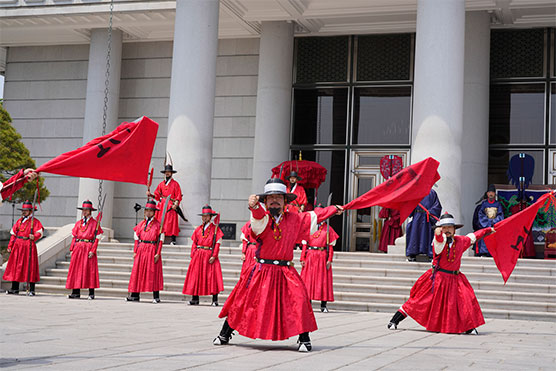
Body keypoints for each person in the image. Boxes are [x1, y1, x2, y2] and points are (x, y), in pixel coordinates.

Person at [213, 178, 343, 352]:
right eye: (270, 197)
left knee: (299, 299)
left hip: (284, 269)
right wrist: (254, 206)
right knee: (242, 301)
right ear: (265, 201)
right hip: (261, 269)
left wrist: (334, 209)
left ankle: (304, 338)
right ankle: (225, 333)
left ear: (285, 201)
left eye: (279, 197)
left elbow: (315, 216)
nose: (274, 200)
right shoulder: (263, 218)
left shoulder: (295, 219)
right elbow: (258, 217)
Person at [387, 213, 494, 334]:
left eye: (449, 227)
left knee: (465, 300)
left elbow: (474, 236)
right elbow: (438, 245)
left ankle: (468, 327)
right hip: (438, 278)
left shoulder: (461, 241)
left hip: (455, 278)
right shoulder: (438, 241)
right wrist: (438, 234)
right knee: (419, 302)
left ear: (454, 229)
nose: (447, 230)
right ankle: (394, 320)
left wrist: (489, 229)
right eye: (444, 227)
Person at [182, 205, 224, 306]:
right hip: (198, 255)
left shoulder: (215, 229)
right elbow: (194, 243)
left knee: (212, 277)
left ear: (210, 217)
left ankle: (215, 300)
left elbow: (217, 243)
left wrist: (214, 255)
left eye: (207, 216)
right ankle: (195, 298)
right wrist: (193, 253)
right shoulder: (198, 229)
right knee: (196, 276)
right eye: (203, 216)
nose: (204, 218)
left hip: (209, 255)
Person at [300, 209, 338, 313]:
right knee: (308, 280)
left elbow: (330, 247)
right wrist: (302, 257)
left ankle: (323, 305)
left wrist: (329, 259)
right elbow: (305, 245)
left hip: (322, 257)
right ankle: (308, 303)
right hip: (310, 256)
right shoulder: (308, 228)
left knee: (322, 280)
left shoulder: (328, 229)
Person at [126, 200, 164, 303]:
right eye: (147, 210)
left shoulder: (158, 225)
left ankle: (156, 296)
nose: (148, 212)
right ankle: (135, 295)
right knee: (137, 271)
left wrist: (158, 253)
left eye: (150, 211)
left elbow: (160, 241)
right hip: (141, 249)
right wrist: (135, 251)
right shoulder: (141, 224)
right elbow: (136, 239)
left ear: (154, 212)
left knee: (153, 272)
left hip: (152, 249)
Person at [3, 200, 43, 295]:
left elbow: (39, 232)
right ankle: (14, 288)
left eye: (26, 210)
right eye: (23, 210)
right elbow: (13, 234)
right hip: (18, 245)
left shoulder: (35, 222)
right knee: (15, 266)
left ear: (30, 211)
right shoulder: (19, 222)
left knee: (30, 267)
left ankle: (31, 289)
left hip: (28, 245)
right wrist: (10, 245)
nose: (23, 212)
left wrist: (34, 236)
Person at [66, 200, 103, 300]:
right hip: (78, 247)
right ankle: (75, 292)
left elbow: (97, 238)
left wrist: (93, 250)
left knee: (90, 270)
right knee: (76, 269)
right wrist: (72, 248)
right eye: (83, 210)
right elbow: (74, 237)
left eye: (86, 210)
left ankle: (91, 293)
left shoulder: (95, 223)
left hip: (88, 247)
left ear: (90, 211)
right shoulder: (78, 223)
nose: (84, 212)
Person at [147, 164, 182, 245]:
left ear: (171, 173)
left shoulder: (175, 184)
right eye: (166, 172)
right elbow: (157, 195)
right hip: (162, 205)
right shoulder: (161, 184)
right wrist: (150, 194)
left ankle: (173, 239)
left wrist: (175, 204)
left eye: (169, 172)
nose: (167, 173)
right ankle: (159, 237)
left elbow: (178, 195)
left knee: (172, 221)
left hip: (170, 205)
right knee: (159, 220)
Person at [405, 188, 441, 261]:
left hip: (427, 216)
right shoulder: (415, 192)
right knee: (414, 234)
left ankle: (429, 253)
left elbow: (437, 205)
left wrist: (430, 212)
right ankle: (413, 254)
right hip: (417, 216)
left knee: (427, 234)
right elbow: (409, 206)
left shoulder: (432, 192)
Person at [475, 185, 504, 257]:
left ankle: (494, 252)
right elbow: (481, 215)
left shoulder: (498, 204)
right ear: (487, 194)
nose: (491, 194)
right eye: (489, 192)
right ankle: (484, 252)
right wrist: (487, 222)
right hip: (486, 225)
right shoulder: (484, 204)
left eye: (492, 192)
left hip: (494, 226)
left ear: (495, 194)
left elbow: (500, 215)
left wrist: (494, 222)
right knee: (485, 238)